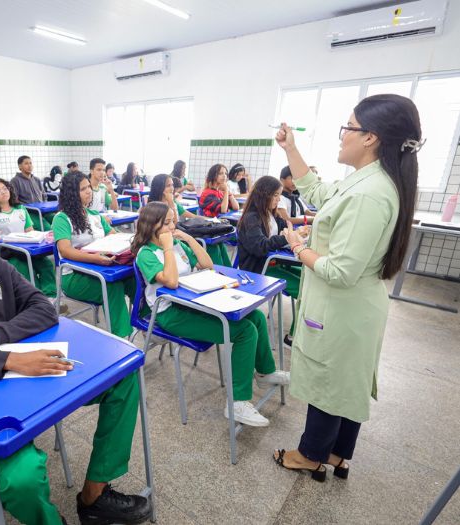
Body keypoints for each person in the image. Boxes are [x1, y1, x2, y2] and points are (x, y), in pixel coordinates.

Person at [0, 192, 152, 525]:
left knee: (122, 380)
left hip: (9, 367)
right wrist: (8, 360)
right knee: (21, 477)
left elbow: (44, 310)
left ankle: (94, 495)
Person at [271, 94, 422, 482]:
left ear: (370, 137)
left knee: (330, 381)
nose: (342, 136)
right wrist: (291, 148)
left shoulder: (370, 194)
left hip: (344, 306)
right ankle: (337, 454)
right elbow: (319, 192)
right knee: (346, 380)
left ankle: (309, 454)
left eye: (348, 127)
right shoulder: (368, 181)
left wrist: (299, 247)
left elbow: (340, 271)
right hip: (355, 307)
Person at [133, 202, 290, 426]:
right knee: (244, 331)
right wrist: (168, 247)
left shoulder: (177, 244)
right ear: (151, 226)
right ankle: (237, 403)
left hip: (191, 304)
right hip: (170, 313)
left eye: (173, 221)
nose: (171, 226)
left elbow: (207, 266)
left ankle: (265, 372)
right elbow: (171, 280)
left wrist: (187, 239)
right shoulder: (146, 253)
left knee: (254, 317)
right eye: (166, 223)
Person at [53, 172, 135, 337]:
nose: (89, 191)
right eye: (83, 189)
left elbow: (114, 234)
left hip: (100, 269)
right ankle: (121, 337)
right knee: (112, 285)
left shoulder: (95, 216)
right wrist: (95, 258)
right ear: (71, 194)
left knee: (135, 279)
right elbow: (65, 250)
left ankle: (149, 323)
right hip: (74, 276)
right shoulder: (61, 218)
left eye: (88, 187)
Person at [236, 176, 302, 346]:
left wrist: (292, 232)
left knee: (309, 279)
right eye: (275, 195)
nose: (279, 199)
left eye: (279, 195)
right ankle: (294, 337)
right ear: (264, 195)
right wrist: (287, 238)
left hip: (273, 263)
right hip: (259, 269)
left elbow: (284, 225)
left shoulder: (269, 214)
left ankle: (299, 333)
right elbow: (260, 246)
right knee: (305, 290)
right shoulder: (252, 217)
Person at [0, 178, 56, 297]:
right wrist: (11, 246)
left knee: (46, 264)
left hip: (26, 249)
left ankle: (51, 297)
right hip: (6, 251)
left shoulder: (20, 209)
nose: (3, 192)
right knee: (25, 269)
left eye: (5, 189)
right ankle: (36, 299)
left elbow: (30, 231)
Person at [147, 173, 231, 266]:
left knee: (219, 243)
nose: (172, 188)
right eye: (168, 186)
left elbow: (191, 215)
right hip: (174, 236)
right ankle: (217, 272)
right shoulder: (154, 207)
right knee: (212, 246)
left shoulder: (174, 202)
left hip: (181, 233)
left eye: (172, 185)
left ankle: (228, 272)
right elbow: (173, 224)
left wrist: (211, 220)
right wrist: (171, 202)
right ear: (160, 188)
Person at [10, 155, 52, 230]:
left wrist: (44, 206)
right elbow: (14, 200)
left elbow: (44, 195)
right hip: (29, 213)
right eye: (26, 163)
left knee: (58, 221)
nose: (29, 166)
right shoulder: (15, 181)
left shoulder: (37, 180)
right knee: (48, 228)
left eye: (30, 163)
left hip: (43, 211)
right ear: (20, 166)